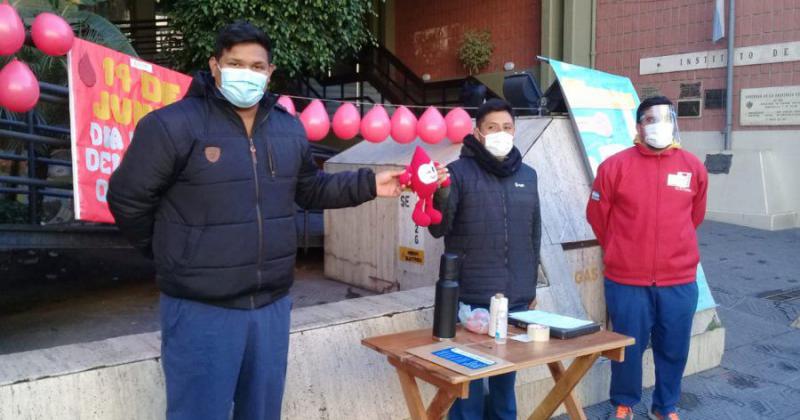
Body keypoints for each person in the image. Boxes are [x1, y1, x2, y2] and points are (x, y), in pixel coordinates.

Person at [107, 21, 408, 420]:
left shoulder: (287, 129)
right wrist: (171, 252)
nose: (245, 73)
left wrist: (370, 183)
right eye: (235, 63)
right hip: (201, 311)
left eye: (255, 66)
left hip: (271, 307)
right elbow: (127, 199)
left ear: (269, 73)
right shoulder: (171, 126)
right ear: (215, 66)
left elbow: (309, 189)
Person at [586, 96, 708, 420]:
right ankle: (624, 403)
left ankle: (665, 406)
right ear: (639, 127)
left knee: (674, 349)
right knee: (627, 348)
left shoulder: (692, 167)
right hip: (627, 280)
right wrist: (623, 249)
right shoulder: (614, 166)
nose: (660, 125)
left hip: (678, 280)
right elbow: (598, 217)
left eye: (666, 118)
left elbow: (694, 216)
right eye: (651, 120)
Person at [428, 98, 541, 420]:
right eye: (492, 127)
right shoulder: (456, 173)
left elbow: (534, 233)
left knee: (505, 386)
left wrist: (530, 288)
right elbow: (438, 228)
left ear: (515, 131)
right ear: (478, 133)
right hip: (470, 300)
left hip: (516, 302)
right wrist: (440, 193)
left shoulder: (528, 175)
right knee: (468, 393)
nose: (500, 133)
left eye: (507, 127)